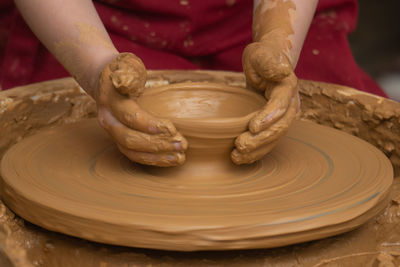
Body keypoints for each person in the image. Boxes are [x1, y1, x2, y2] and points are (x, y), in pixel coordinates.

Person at [0, 0, 386, 167]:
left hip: (261, 18)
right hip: (94, 22)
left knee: (351, 136)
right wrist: (98, 69)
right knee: (44, 144)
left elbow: (277, 48)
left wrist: (276, 44)